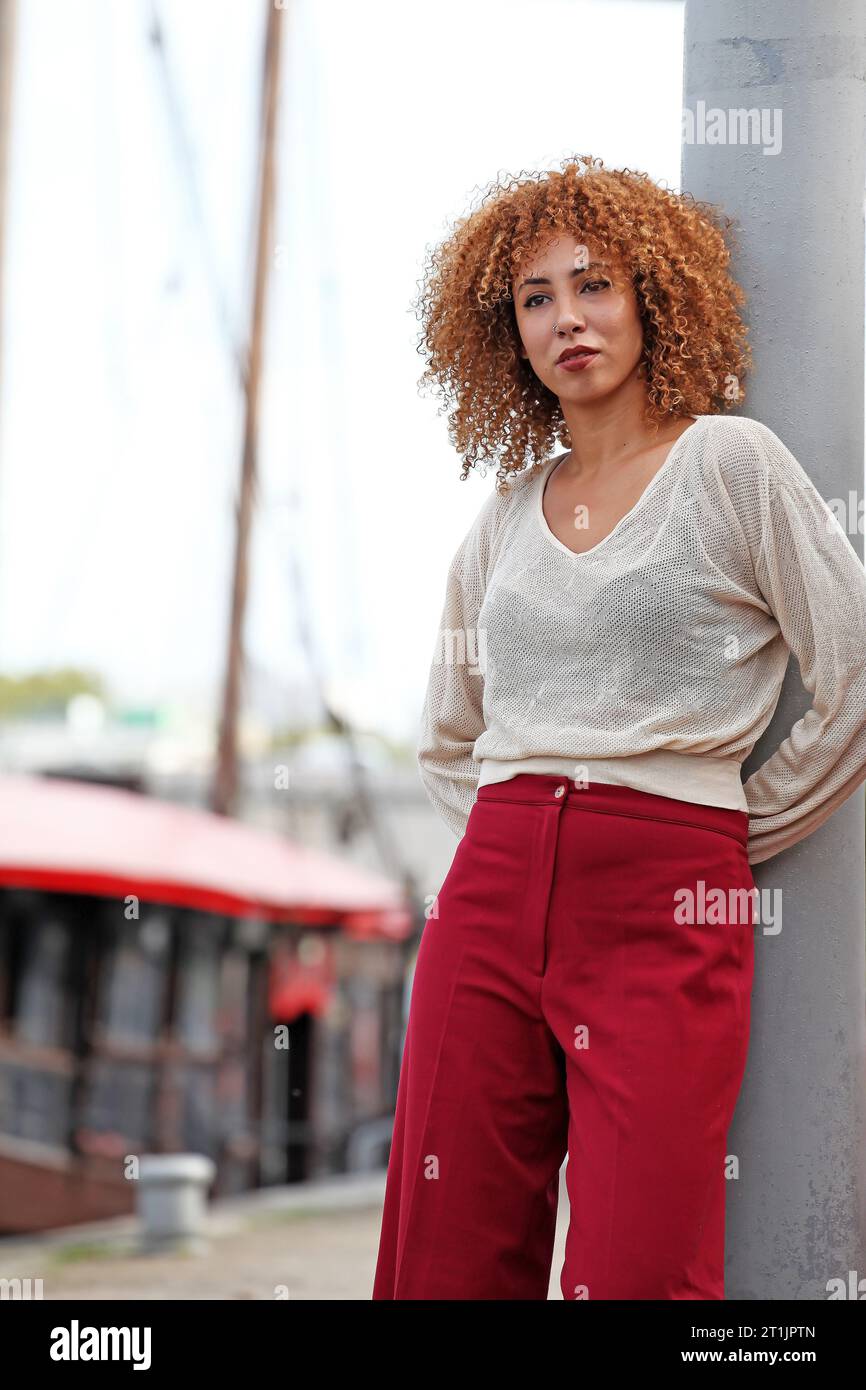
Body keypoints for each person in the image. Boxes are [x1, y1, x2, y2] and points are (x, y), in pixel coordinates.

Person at [372, 154, 866, 1300]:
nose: (566, 319)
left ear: (652, 295)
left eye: (591, 285)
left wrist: (723, 821)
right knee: (443, 1251)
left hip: (665, 898)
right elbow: (449, 733)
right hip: (491, 894)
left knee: (639, 1264)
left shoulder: (729, 466)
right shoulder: (500, 516)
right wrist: (508, 842)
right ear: (508, 334)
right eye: (534, 298)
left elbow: (852, 666)